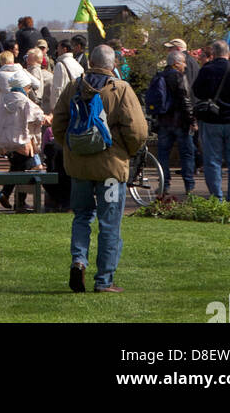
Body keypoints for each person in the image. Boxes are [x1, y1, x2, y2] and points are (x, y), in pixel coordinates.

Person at [53, 43, 148, 294]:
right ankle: (104, 280)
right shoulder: (121, 89)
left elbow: (59, 123)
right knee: (109, 223)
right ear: (113, 64)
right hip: (110, 170)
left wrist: (72, 148)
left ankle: (79, 260)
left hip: (80, 168)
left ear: (90, 62)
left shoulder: (74, 86)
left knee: (82, 216)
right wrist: (126, 151)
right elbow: (137, 130)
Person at [192, 40, 230, 202]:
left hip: (211, 120)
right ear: (229, 53)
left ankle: (216, 197)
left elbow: (196, 90)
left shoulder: (206, 70)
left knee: (212, 160)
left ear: (214, 52)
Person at [0, 78, 48, 211]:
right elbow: (38, 116)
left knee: (17, 169)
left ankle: (8, 195)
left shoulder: (5, 100)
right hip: (23, 142)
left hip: (8, 142)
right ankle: (17, 200)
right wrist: (49, 117)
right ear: (25, 88)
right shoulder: (25, 101)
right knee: (26, 170)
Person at [147, 48, 196, 196]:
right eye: (183, 63)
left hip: (163, 121)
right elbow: (185, 99)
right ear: (176, 63)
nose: (185, 66)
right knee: (187, 153)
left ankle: (164, 184)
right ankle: (189, 185)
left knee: (163, 154)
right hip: (180, 122)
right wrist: (192, 120)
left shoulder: (159, 76)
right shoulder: (179, 77)